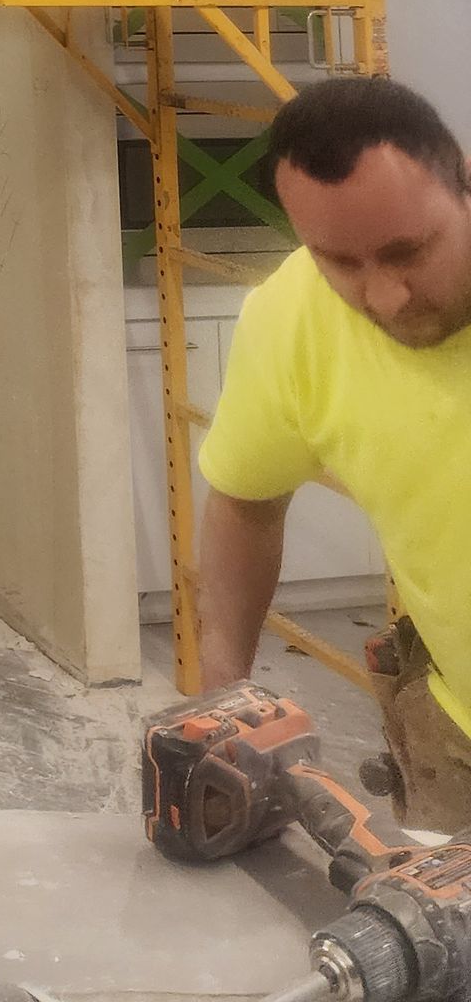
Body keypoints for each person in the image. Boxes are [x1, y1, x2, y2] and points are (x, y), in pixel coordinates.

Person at [197, 73, 471, 829]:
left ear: (466, 183)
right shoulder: (291, 322)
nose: (383, 297)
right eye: (341, 262)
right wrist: (226, 704)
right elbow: (246, 504)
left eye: (408, 251)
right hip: (457, 734)